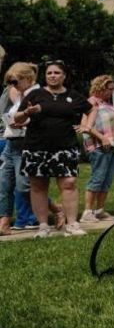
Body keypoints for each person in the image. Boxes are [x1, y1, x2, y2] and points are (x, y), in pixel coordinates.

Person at [12, 59, 92, 238]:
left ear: (64, 76)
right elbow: (17, 118)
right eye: (49, 73)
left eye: (56, 73)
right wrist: (26, 112)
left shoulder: (73, 95)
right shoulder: (35, 95)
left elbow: (90, 109)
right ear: (45, 76)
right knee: (38, 186)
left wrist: (87, 125)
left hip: (66, 147)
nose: (53, 76)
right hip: (36, 147)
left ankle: (72, 224)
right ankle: (43, 226)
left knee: (69, 183)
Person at [1, 63, 54, 234]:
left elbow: (45, 119)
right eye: (10, 83)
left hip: (26, 143)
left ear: (28, 79)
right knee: (4, 185)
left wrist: (24, 122)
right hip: (10, 144)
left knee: (25, 186)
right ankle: (4, 223)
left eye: (15, 82)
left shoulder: (38, 94)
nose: (13, 86)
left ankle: (57, 209)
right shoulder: (20, 95)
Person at [79, 75, 114, 223]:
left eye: (113, 89)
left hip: (113, 146)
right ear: (100, 88)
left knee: (107, 180)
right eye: (109, 89)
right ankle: (87, 212)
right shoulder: (91, 102)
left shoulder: (106, 104)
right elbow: (85, 125)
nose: (112, 92)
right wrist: (102, 137)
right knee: (98, 178)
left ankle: (100, 210)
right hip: (100, 146)